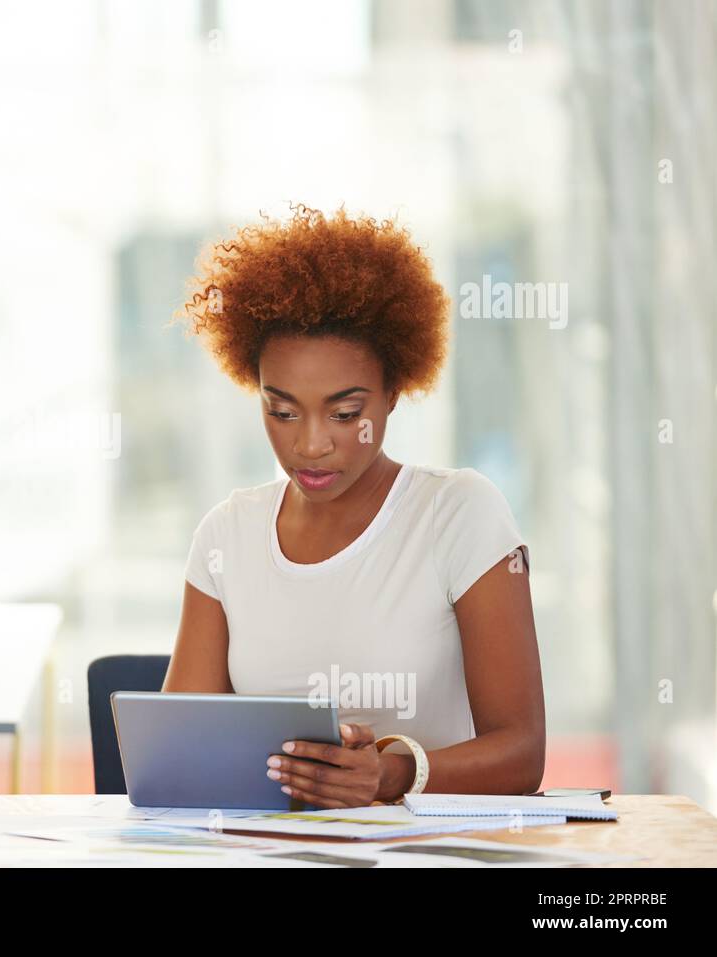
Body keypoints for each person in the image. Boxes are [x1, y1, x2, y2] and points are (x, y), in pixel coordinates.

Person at [165, 204, 545, 808]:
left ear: (395, 392)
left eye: (345, 414)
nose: (310, 443)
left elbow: (522, 753)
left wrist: (393, 775)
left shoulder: (461, 515)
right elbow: (176, 759)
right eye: (281, 411)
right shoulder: (226, 536)